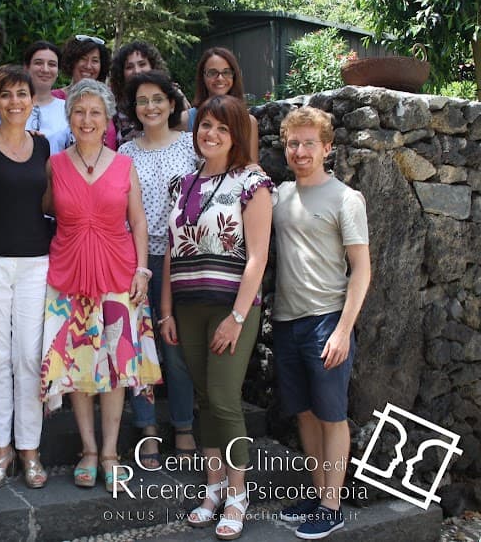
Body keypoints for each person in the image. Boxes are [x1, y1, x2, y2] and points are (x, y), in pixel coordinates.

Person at [40, 79, 162, 493]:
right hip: (69, 273)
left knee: (114, 365)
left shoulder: (124, 164)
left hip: (118, 274)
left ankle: (110, 452)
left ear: (108, 119)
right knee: (76, 365)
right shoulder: (54, 165)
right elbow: (40, 210)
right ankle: (88, 451)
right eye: (79, 112)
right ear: (69, 117)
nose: (87, 120)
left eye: (95, 112)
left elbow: (139, 222)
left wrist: (143, 271)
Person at [160, 94, 273, 539]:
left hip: (231, 308)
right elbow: (171, 249)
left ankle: (238, 495)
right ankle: (213, 487)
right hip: (186, 308)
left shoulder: (252, 181)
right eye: (206, 126)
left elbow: (259, 256)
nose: (211, 134)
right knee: (205, 399)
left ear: (236, 136)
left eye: (222, 129)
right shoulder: (182, 183)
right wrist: (166, 309)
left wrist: (239, 317)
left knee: (225, 399)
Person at [273, 106, 371, 540]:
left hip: (327, 320)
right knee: (305, 414)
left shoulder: (346, 199)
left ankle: (333, 505)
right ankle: (317, 495)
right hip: (286, 321)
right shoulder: (277, 196)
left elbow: (362, 270)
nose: (300, 150)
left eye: (309, 142)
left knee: (332, 416)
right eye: (293, 143)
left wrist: (343, 330)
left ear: (327, 148)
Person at [0, 65, 52, 490]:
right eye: (6, 95)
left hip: (36, 262)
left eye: (22, 94)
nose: (15, 102)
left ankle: (30, 449)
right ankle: (1, 449)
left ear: (31, 99)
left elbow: (52, 201)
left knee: (28, 356)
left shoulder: (43, 148)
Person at [117, 70, 199, 469]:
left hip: (183, 261)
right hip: (136, 260)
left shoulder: (191, 146)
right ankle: (147, 427)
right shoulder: (125, 153)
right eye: (142, 101)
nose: (150, 107)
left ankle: (183, 423)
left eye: (157, 99)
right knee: (139, 348)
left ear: (171, 103)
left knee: (176, 347)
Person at [188, 47, 259, 162]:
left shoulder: (248, 122)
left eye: (226, 72)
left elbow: (251, 165)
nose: (220, 78)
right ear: (203, 77)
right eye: (212, 73)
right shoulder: (186, 119)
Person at [53, 35, 116, 149]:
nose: (88, 66)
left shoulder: (110, 99)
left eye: (95, 61)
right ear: (72, 61)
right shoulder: (54, 98)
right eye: (83, 59)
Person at [109, 40, 169, 147]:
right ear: (121, 72)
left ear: (153, 66)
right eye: (129, 67)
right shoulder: (112, 100)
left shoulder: (168, 95)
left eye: (142, 64)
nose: (136, 71)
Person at [23, 40, 71, 154]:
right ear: (26, 68)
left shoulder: (68, 109)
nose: (45, 69)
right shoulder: (12, 106)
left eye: (52, 64)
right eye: (38, 63)